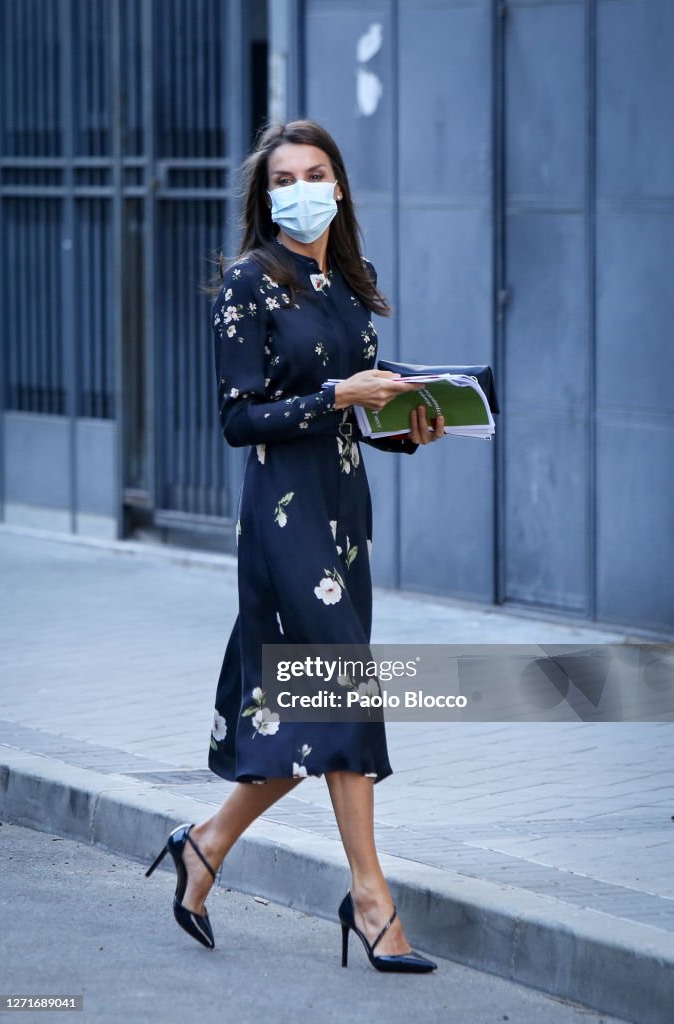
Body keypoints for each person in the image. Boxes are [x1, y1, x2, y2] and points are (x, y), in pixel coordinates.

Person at [146, 120, 445, 972]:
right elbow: (239, 419)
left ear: (339, 185)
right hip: (283, 516)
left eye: (316, 173)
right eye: (285, 178)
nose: (302, 187)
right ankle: (371, 901)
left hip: (344, 508)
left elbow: (356, 411)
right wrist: (334, 393)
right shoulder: (248, 282)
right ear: (266, 194)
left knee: (312, 708)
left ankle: (202, 846)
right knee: (348, 691)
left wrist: (405, 430)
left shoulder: (349, 281)